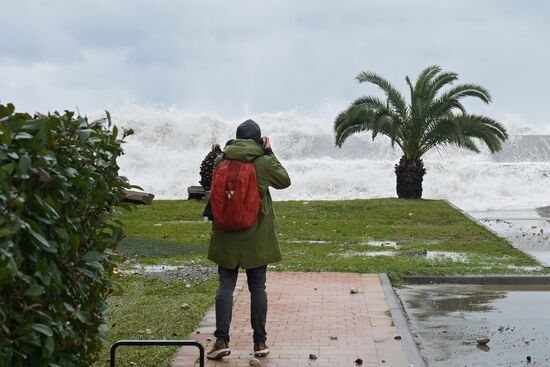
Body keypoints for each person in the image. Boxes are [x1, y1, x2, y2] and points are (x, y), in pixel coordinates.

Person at [206, 119, 291, 360]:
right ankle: (259, 343)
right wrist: (270, 152)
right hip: (256, 236)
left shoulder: (221, 160)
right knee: (257, 287)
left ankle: (221, 340)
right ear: (258, 140)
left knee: (225, 286)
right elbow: (284, 181)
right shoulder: (262, 162)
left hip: (226, 235)